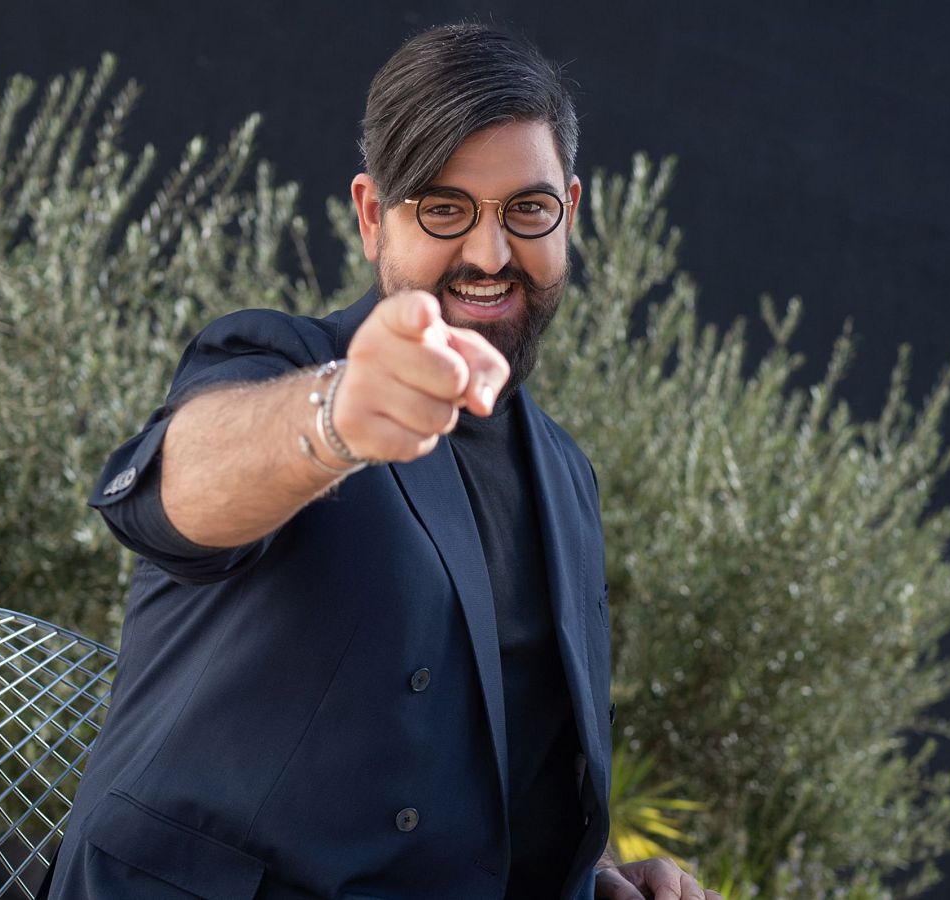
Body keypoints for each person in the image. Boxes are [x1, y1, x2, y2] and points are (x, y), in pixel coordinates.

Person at [45, 23, 721, 900]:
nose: (489, 253)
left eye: (528, 210)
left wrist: (593, 878)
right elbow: (180, 487)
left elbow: (499, 775)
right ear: (372, 216)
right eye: (444, 209)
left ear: (570, 213)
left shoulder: (566, 478)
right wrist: (334, 419)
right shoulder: (283, 364)